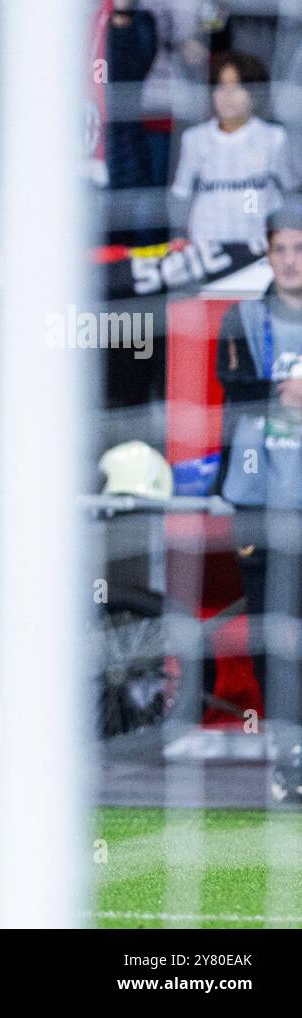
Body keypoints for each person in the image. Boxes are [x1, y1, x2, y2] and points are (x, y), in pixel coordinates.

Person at [215, 204, 302, 793]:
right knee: (273, 628)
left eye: (300, 250)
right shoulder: (242, 317)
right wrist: (282, 387)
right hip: (259, 498)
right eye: (282, 250)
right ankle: (287, 748)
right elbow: (233, 386)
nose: (292, 262)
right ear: (267, 254)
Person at [170, 51, 297, 247]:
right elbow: (181, 193)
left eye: (237, 87)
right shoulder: (195, 139)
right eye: (221, 86)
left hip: (258, 245)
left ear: (254, 93)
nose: (227, 95)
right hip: (207, 242)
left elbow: (289, 189)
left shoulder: (274, 138)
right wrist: (179, 237)